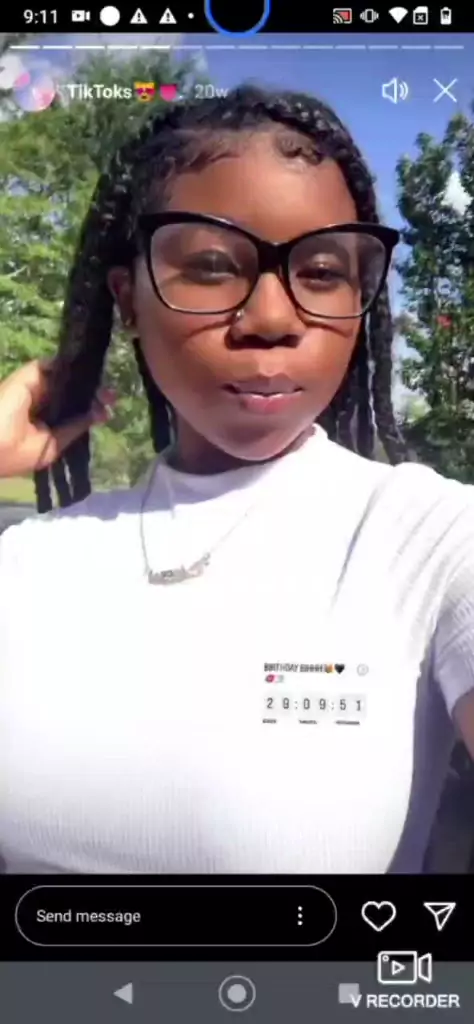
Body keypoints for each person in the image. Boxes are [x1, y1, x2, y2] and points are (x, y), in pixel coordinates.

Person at [0, 84, 473, 876]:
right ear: (128, 298)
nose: (272, 319)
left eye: (321, 271)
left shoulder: (427, 537)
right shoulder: (33, 559)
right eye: (214, 267)